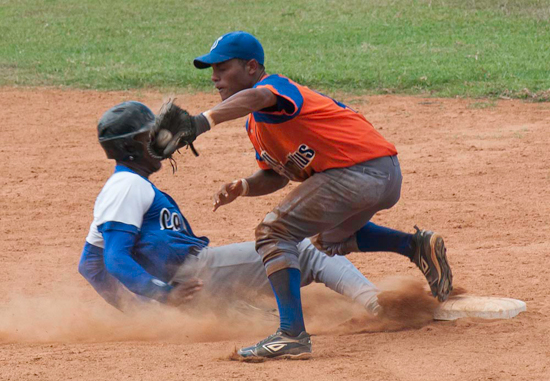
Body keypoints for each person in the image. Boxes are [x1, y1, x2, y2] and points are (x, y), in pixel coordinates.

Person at [174, 31, 453, 359]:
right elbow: (276, 175)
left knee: (272, 232)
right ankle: (414, 246)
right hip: (381, 174)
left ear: (251, 67)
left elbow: (258, 98)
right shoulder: (257, 126)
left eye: (222, 67)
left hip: (359, 172)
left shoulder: (275, 88)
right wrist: (245, 186)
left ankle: (291, 333)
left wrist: (202, 121)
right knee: (327, 240)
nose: (215, 77)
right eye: (212, 70)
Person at [78, 101, 385, 358]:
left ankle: (316, 320)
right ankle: (378, 304)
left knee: (264, 319)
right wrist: (162, 295)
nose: (161, 139)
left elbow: (89, 264)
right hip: (198, 274)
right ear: (131, 147)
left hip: (194, 292)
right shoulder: (127, 186)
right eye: (150, 135)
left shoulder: (123, 187)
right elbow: (114, 260)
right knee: (305, 249)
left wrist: (143, 311)